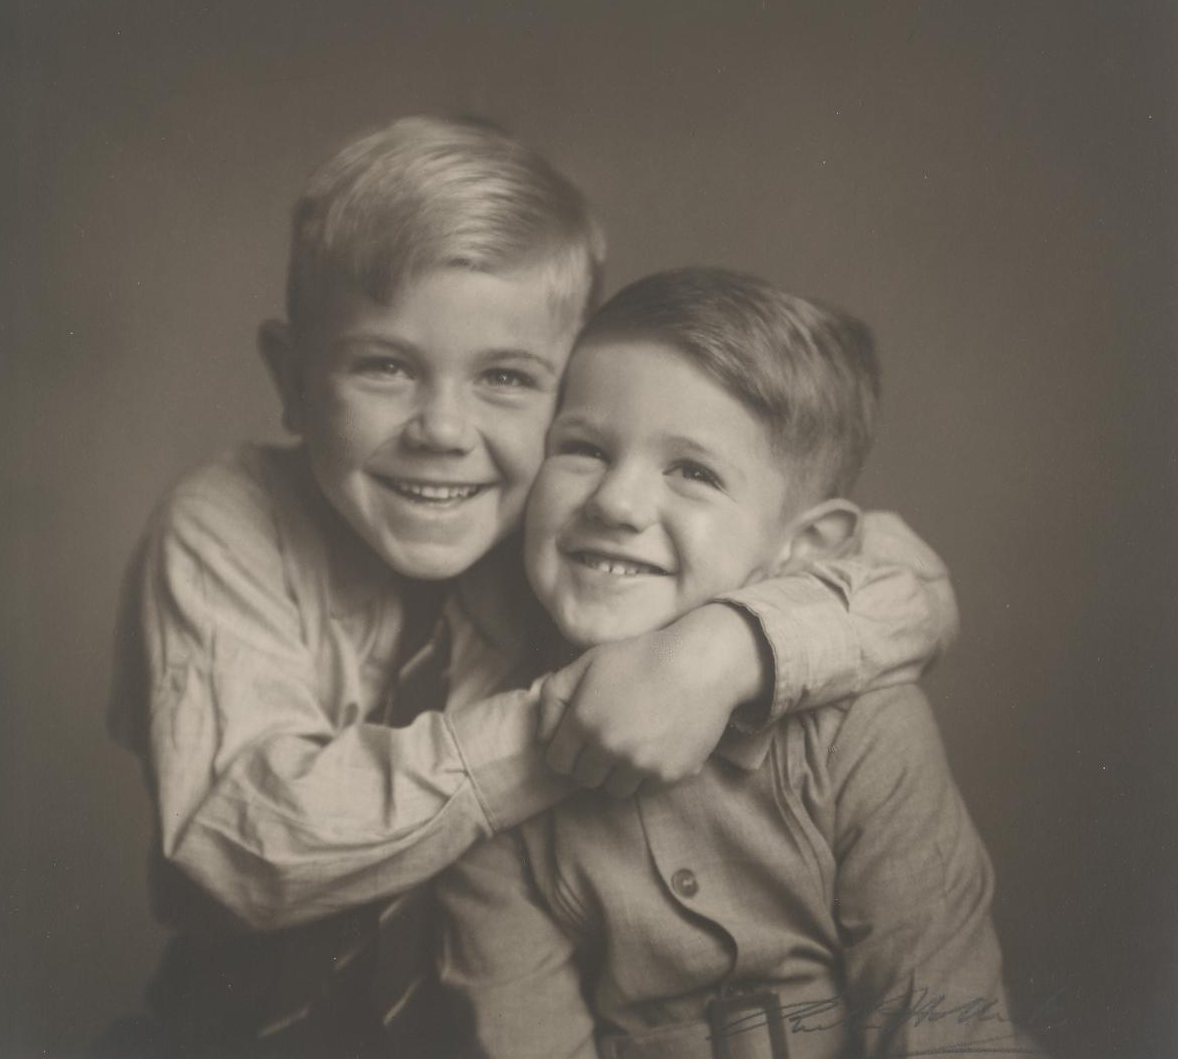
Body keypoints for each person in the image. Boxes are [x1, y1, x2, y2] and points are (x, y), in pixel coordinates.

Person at [108, 118, 958, 1057]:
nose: (442, 428)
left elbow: (901, 581)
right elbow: (231, 845)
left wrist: (721, 651)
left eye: (507, 378)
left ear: (572, 389)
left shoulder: (588, 534)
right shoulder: (226, 521)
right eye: (384, 366)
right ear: (293, 376)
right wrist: (569, 723)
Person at [438, 268, 1035, 1059]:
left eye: (692, 471)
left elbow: (944, 1026)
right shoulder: (491, 763)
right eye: (582, 448)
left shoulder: (864, 729)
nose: (616, 502)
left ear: (805, 548)